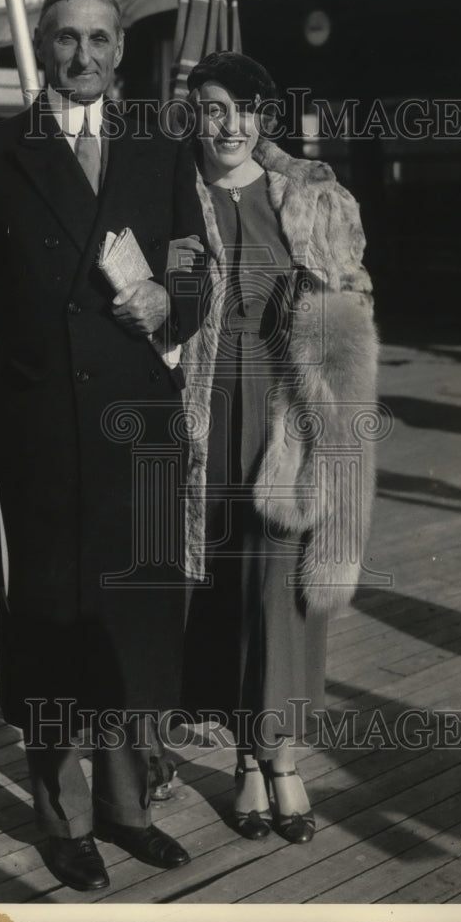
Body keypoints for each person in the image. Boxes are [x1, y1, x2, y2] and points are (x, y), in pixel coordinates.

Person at [0, 0, 207, 891]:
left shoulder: (163, 146)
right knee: (51, 627)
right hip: (38, 430)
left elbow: (192, 263)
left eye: (100, 38)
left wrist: (174, 299)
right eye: (65, 39)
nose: (83, 56)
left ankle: (130, 810)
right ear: (40, 50)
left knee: (134, 623)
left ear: (121, 51)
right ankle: (66, 820)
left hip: (138, 425)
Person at [179, 52, 379, 844]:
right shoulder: (169, 191)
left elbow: (354, 300)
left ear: (265, 115)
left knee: (281, 592)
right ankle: (240, 760)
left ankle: (282, 757)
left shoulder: (306, 196)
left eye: (245, 109)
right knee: (218, 589)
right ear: (192, 113)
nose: (230, 126)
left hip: (284, 412)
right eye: (213, 108)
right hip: (195, 411)